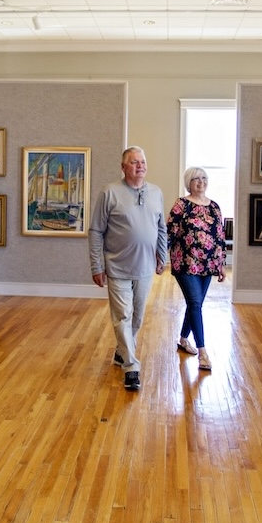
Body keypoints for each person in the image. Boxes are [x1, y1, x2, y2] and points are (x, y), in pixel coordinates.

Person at [88, 146, 167, 391]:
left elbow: (161, 227)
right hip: (117, 266)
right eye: (134, 162)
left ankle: (122, 352)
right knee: (122, 315)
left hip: (145, 266)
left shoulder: (155, 193)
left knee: (138, 316)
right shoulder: (109, 192)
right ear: (123, 168)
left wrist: (162, 255)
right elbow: (96, 231)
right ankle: (131, 367)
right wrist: (96, 265)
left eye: (143, 161)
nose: (140, 166)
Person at [167, 167, 226, 371]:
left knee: (196, 304)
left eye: (204, 178)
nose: (201, 182)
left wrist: (221, 263)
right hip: (184, 262)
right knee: (194, 302)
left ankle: (183, 339)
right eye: (196, 179)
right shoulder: (181, 205)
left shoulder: (215, 207)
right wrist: (158, 258)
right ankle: (203, 353)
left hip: (207, 264)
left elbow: (220, 237)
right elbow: (170, 232)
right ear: (188, 183)